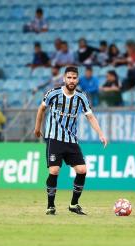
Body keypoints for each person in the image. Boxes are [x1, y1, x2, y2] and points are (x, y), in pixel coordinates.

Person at [34, 66, 107, 215]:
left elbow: (90, 116)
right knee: (54, 170)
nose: (72, 80)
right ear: (64, 78)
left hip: (71, 140)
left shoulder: (81, 97)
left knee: (82, 170)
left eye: (74, 78)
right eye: (69, 77)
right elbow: (41, 109)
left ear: (77, 80)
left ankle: (74, 204)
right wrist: (37, 128)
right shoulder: (53, 94)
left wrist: (100, 133)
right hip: (54, 138)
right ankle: (50, 206)